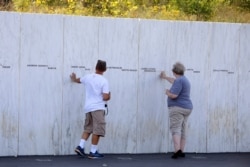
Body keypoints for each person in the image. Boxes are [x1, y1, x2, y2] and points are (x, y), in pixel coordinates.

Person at [70, 60, 111, 159]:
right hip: (98, 108)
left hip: (88, 108)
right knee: (98, 130)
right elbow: (105, 97)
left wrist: (74, 78)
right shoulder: (104, 81)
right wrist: (109, 95)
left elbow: (79, 80)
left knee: (88, 128)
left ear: (95, 67)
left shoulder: (88, 77)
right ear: (105, 69)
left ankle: (80, 146)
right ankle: (93, 152)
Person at [160, 62, 193, 159]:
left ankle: (177, 151)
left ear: (174, 71)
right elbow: (173, 81)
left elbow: (174, 95)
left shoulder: (179, 81)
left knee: (175, 129)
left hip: (177, 108)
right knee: (182, 129)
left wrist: (167, 92)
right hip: (187, 108)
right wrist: (165, 77)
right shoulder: (184, 80)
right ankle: (181, 151)